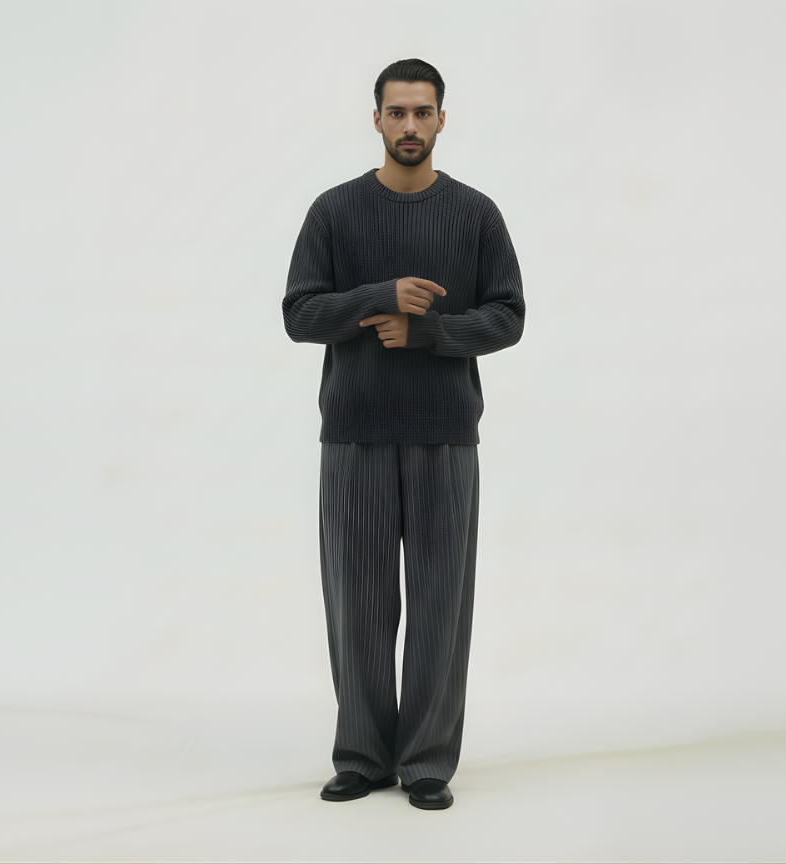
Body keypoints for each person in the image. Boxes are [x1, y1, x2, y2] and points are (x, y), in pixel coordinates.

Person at [282, 58, 525, 811]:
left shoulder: (476, 215)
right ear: (377, 119)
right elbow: (298, 314)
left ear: (442, 119)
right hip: (353, 434)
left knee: (439, 608)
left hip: (445, 436)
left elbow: (509, 317)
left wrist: (429, 333)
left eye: (423, 112)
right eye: (398, 112)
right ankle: (362, 755)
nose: (410, 126)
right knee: (356, 606)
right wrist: (377, 297)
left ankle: (425, 762)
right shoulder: (334, 212)